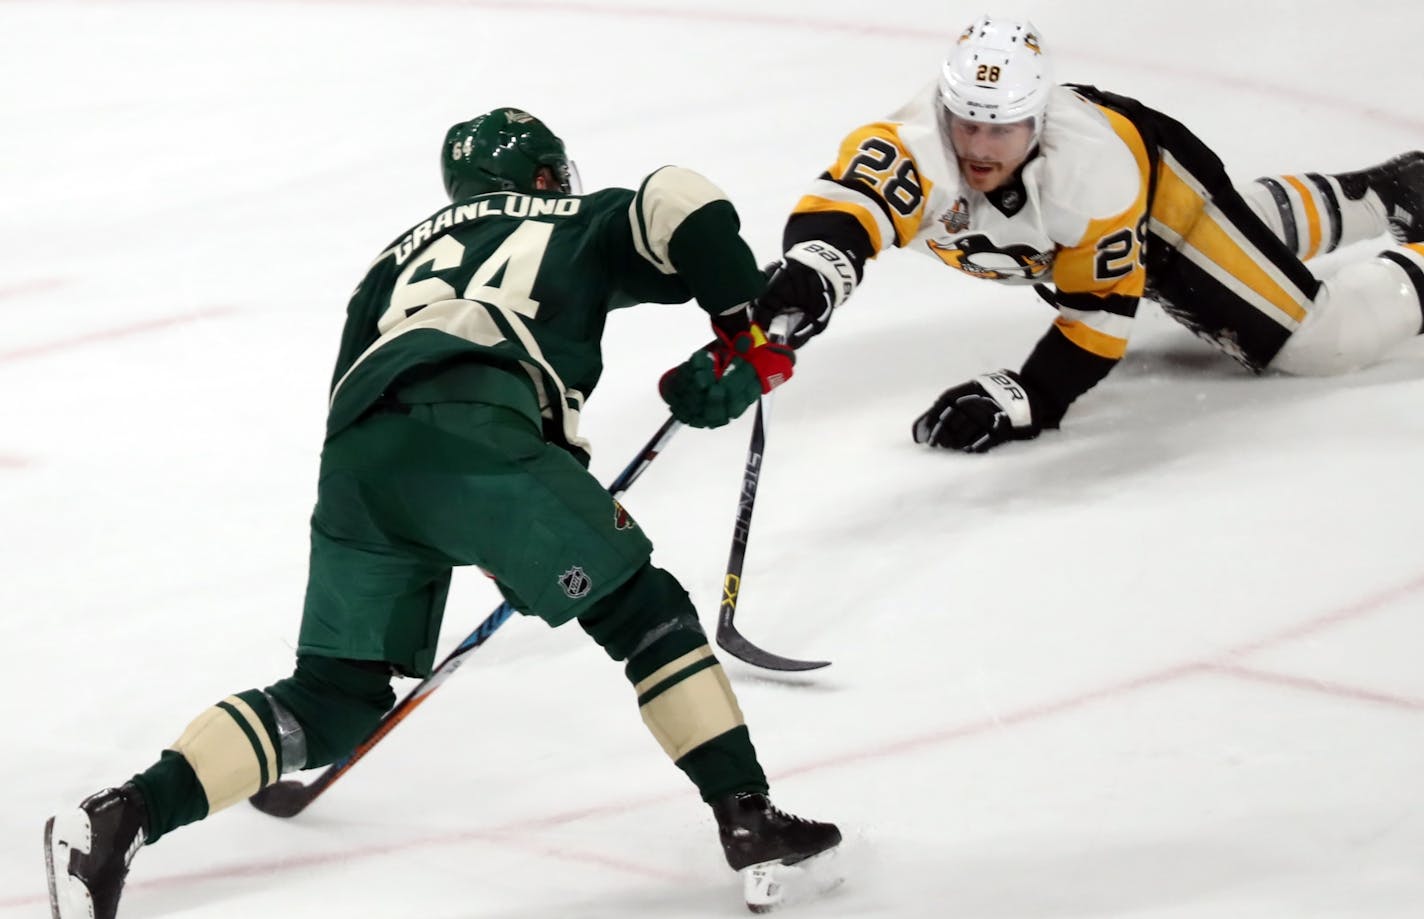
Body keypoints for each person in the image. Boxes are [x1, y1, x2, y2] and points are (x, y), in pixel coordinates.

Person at [44, 106, 838, 918]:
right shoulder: (574, 216)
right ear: (543, 176)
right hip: (481, 435)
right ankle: (746, 815)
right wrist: (746, 326)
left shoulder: (385, 268)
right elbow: (678, 195)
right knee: (646, 612)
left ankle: (121, 814)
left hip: (359, 464)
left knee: (332, 699)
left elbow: (368, 399)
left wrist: (493, 512)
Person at [754, 14, 1424, 453]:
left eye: (1004, 127)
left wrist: (1032, 395)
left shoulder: (1090, 173)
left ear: (1039, 120)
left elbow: (1098, 320)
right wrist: (813, 272)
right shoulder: (915, 144)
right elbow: (848, 212)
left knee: (1318, 342)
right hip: (1099, 223)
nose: (980, 148)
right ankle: (1394, 193)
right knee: (1238, 241)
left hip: (1161, 200)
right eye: (969, 122)